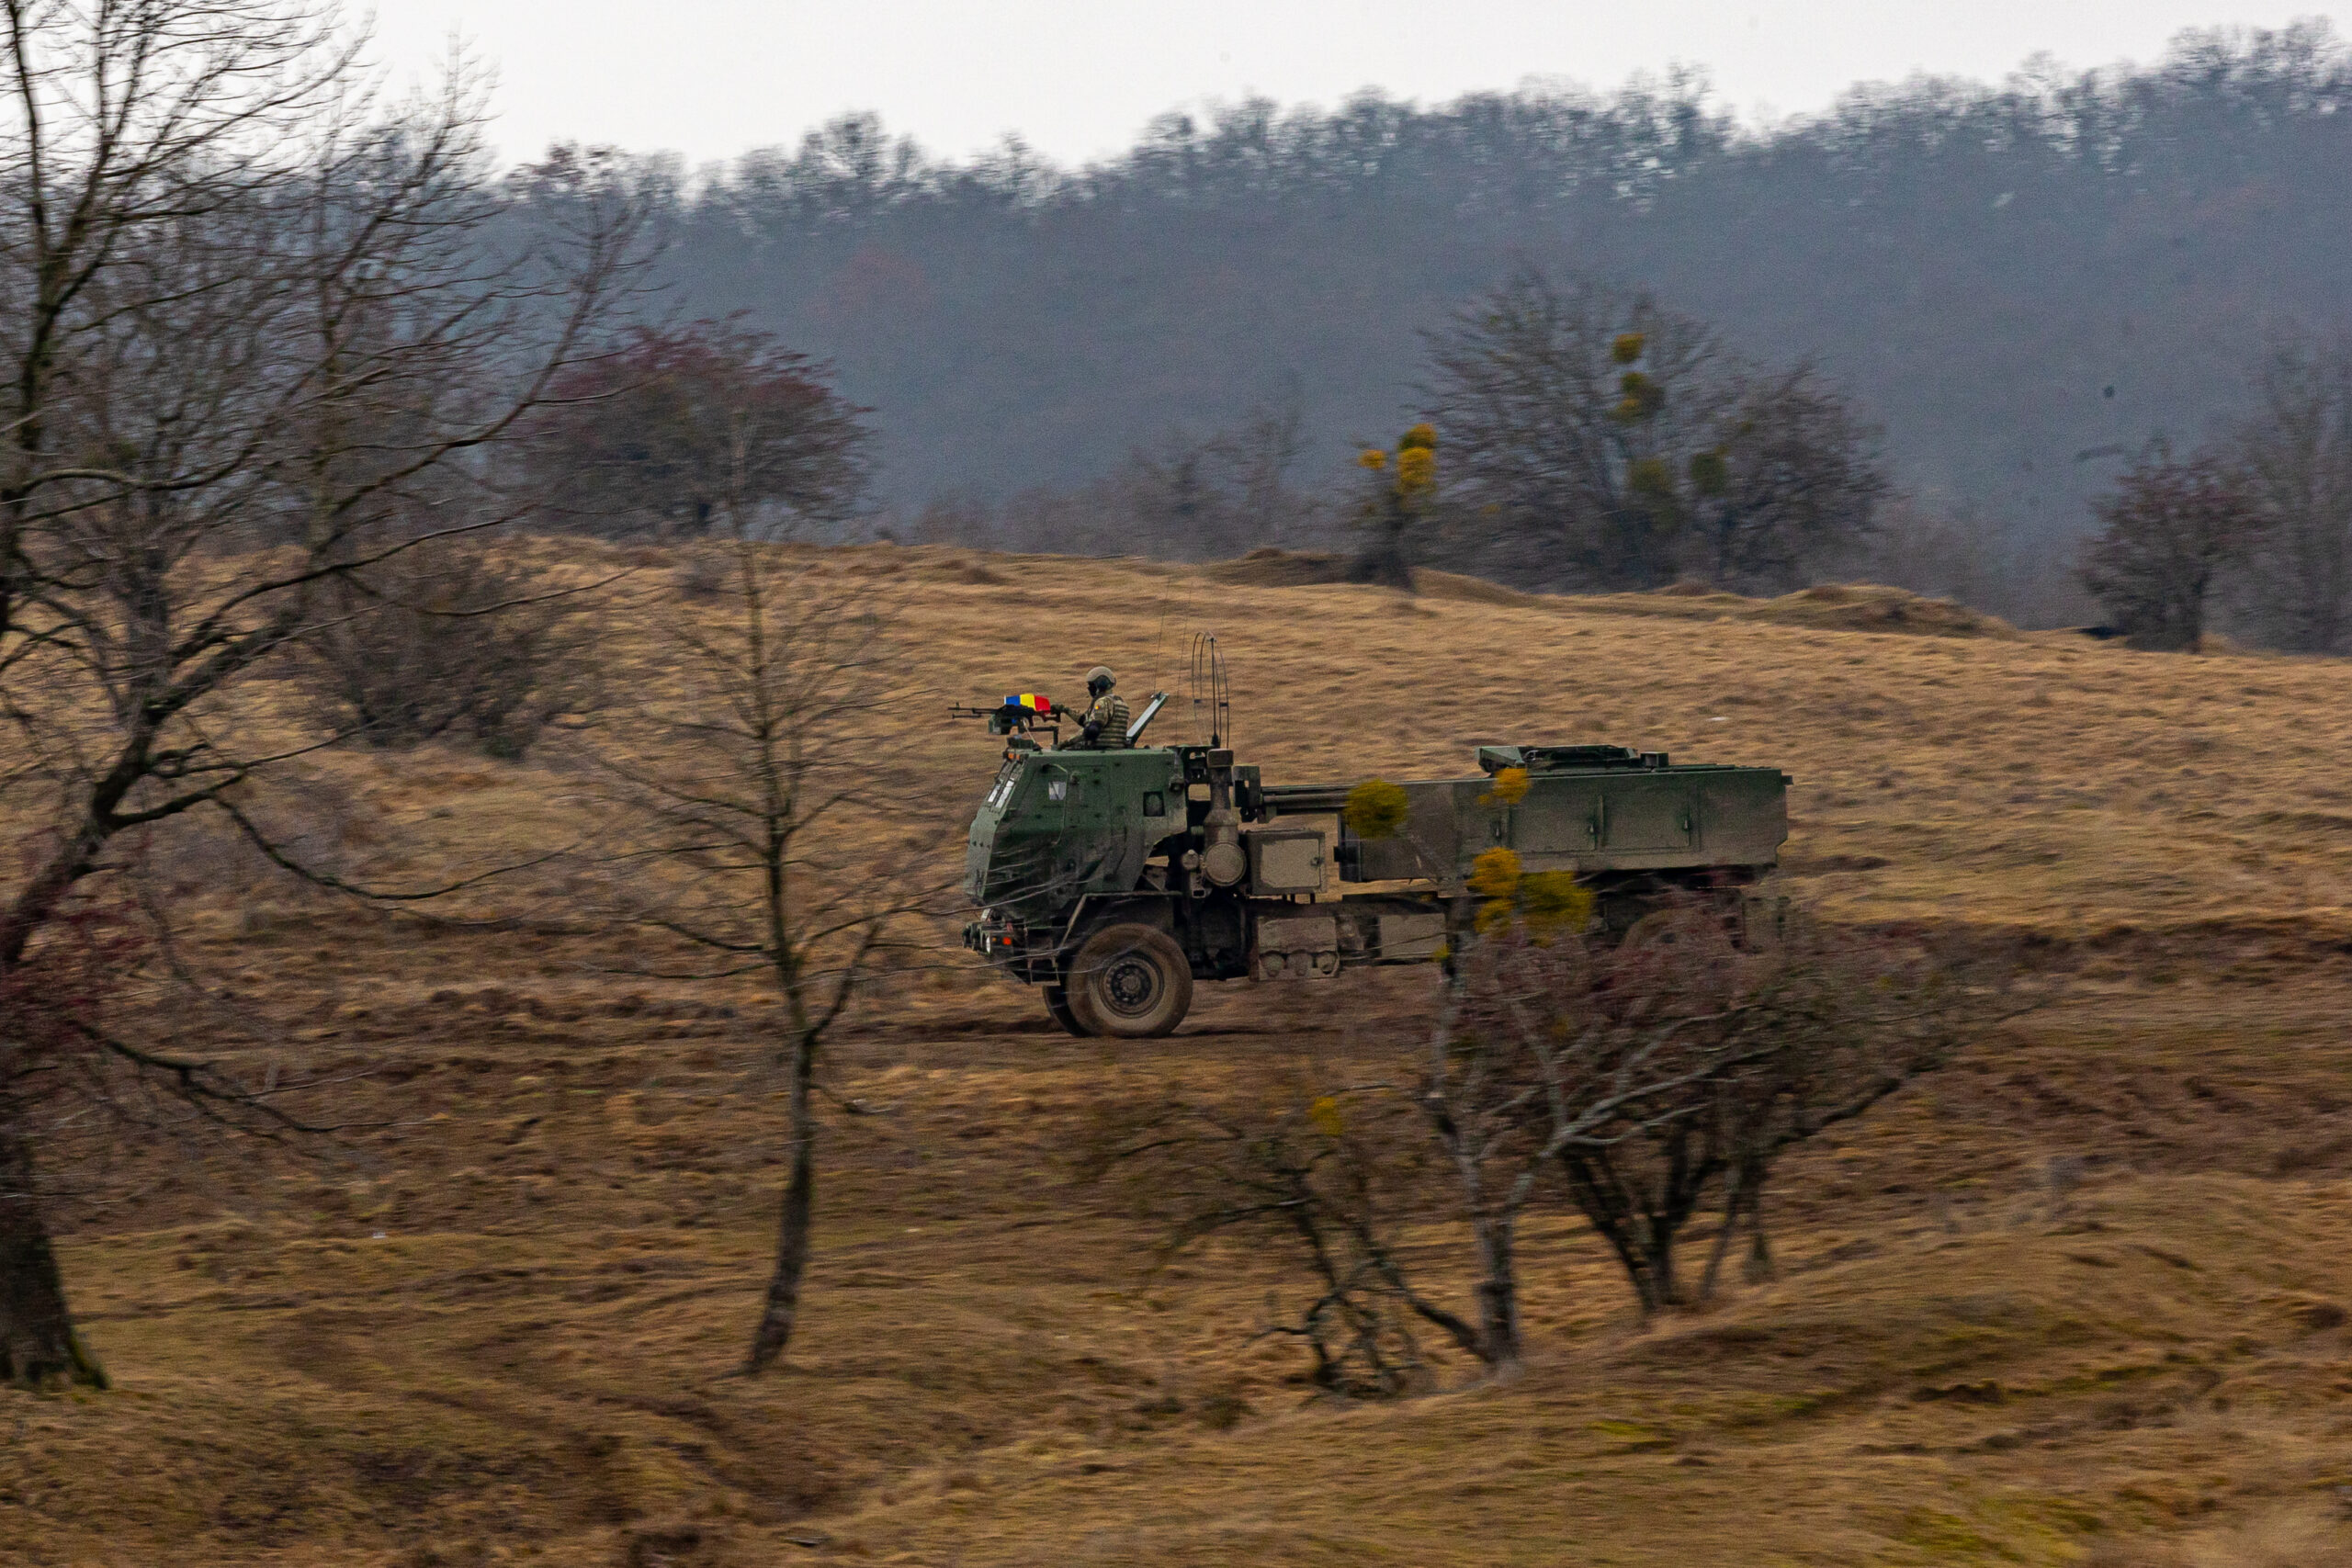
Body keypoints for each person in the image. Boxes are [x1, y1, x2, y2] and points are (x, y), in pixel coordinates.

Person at [1073, 665, 1130, 748]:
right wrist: (1065, 710)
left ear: (1101, 685)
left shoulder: (1103, 703)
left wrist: (1066, 743)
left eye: (1092, 686)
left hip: (1099, 749)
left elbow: (1093, 729)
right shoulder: (1120, 702)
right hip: (1113, 749)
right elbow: (1085, 720)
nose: (1089, 689)